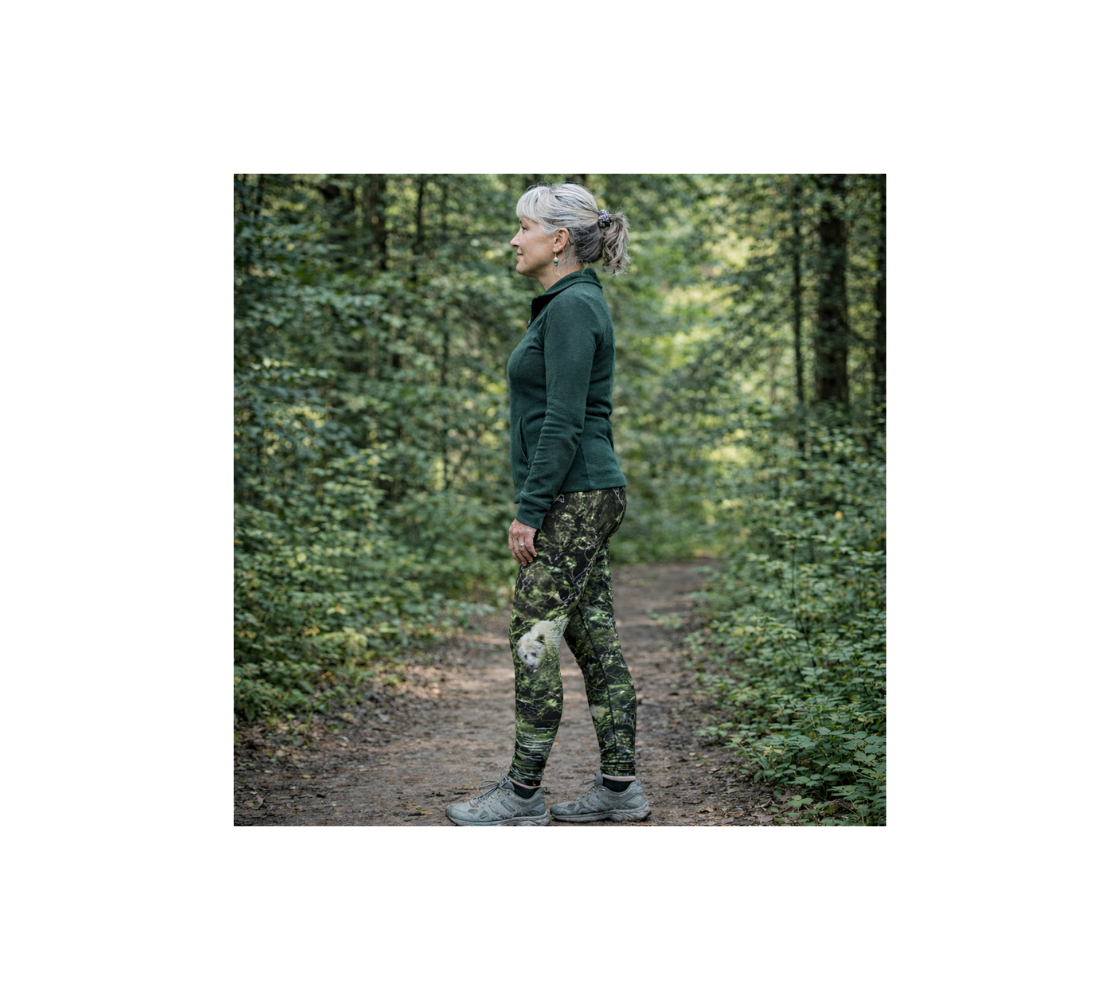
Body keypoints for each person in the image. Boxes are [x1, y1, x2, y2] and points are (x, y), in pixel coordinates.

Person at [447, 183, 650, 827]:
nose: (514, 238)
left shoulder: (571, 308)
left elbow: (563, 422)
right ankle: (620, 792)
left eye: (523, 228)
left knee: (532, 636)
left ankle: (523, 794)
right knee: (593, 637)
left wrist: (530, 510)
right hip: (589, 490)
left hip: (574, 493)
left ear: (557, 240)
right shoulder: (568, 304)